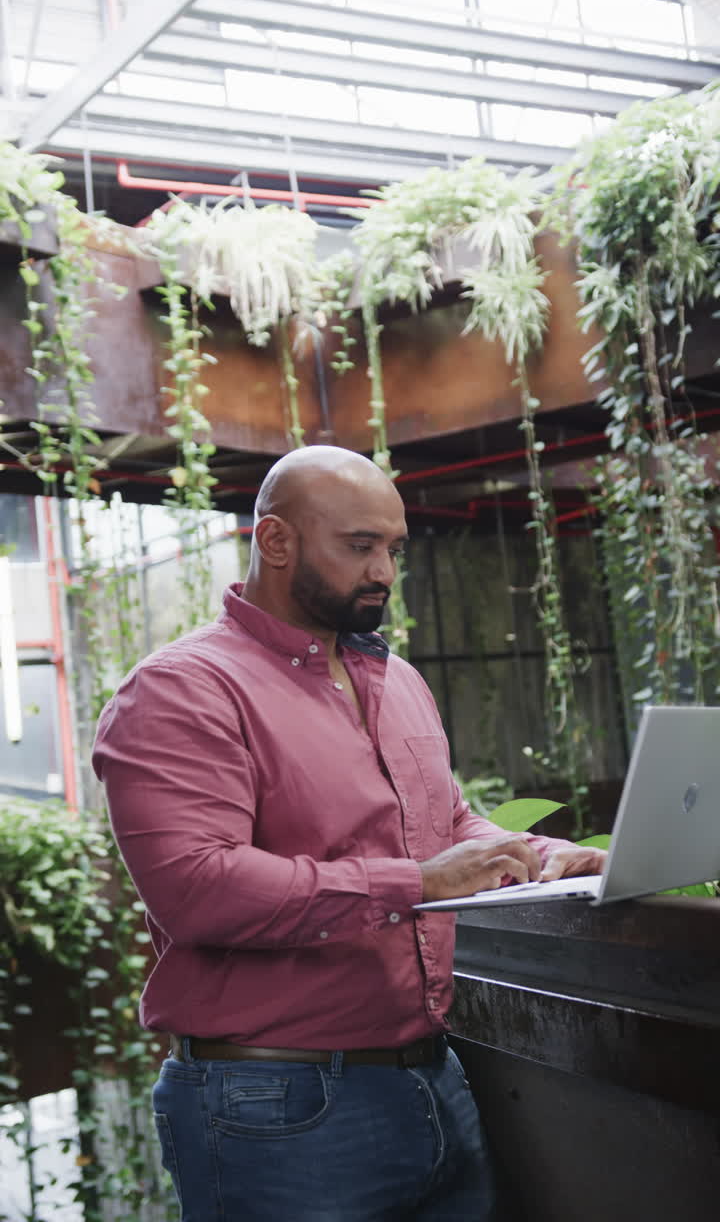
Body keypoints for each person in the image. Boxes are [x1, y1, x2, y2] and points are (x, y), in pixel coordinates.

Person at [93, 445, 605, 1222]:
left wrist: (537, 855)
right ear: (275, 541)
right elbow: (198, 888)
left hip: (434, 1079)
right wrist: (420, 882)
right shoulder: (180, 689)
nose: (385, 574)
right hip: (273, 1103)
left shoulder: (396, 681)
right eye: (360, 546)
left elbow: (446, 819)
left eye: (393, 549)